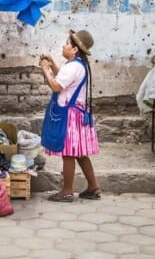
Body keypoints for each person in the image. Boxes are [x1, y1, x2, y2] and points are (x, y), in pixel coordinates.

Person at [38, 29, 101, 202]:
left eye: (67, 43)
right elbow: (65, 78)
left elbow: (57, 86)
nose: (64, 46)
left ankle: (66, 191)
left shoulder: (73, 66)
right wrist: (52, 65)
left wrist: (45, 69)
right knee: (80, 153)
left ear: (74, 50)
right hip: (80, 114)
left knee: (68, 153)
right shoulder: (78, 65)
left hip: (71, 116)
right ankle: (93, 187)